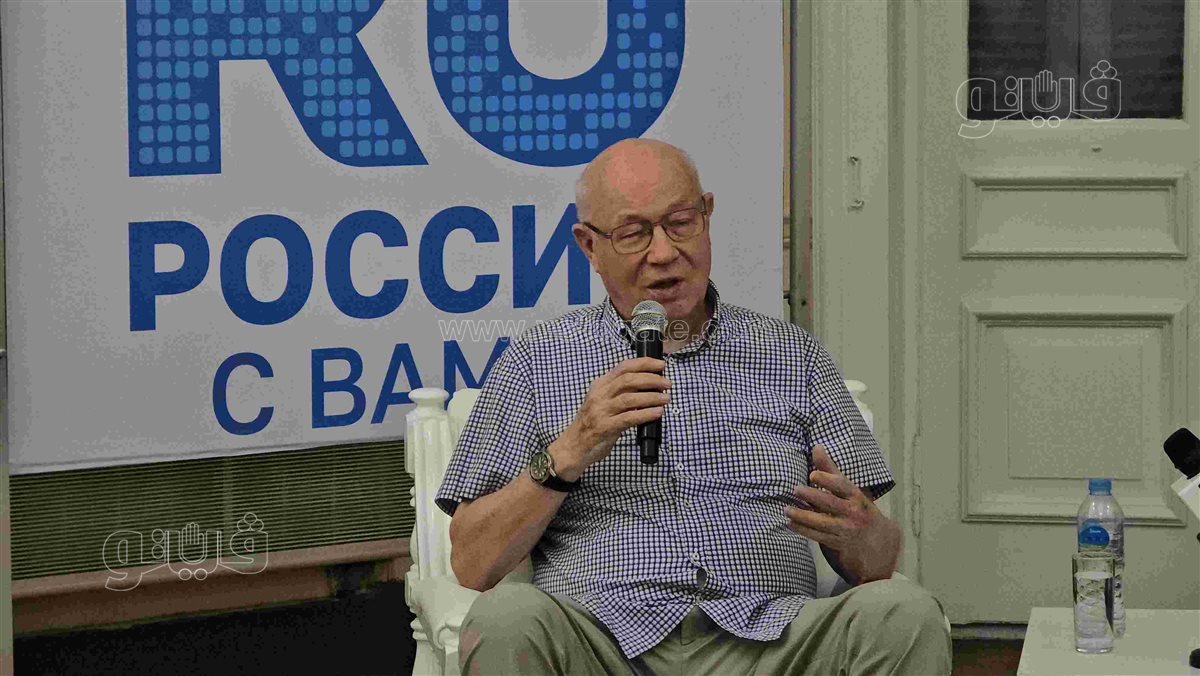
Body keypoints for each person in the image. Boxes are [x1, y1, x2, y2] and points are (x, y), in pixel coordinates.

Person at [435, 138, 951, 675]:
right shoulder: (536, 360)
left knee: (905, 613)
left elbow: (877, 560)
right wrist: (571, 450)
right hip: (603, 647)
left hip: (772, 644)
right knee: (506, 618)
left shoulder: (793, 355)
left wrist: (861, 531)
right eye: (634, 234)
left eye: (680, 223)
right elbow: (473, 563)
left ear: (707, 215)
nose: (663, 253)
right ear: (589, 246)